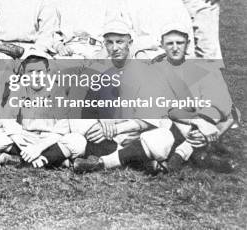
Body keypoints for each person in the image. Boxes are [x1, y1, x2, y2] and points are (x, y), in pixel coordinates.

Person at [73, 20, 176, 174]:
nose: (115, 48)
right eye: (110, 42)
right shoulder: (98, 70)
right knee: (78, 125)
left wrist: (115, 127)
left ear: (130, 43)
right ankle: (141, 160)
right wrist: (102, 118)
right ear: (104, 45)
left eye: (120, 42)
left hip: (137, 133)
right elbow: (85, 104)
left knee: (163, 137)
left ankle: (103, 162)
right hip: (110, 135)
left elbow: (148, 119)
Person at [153, 24, 237, 173]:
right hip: (176, 120)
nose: (175, 48)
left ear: (188, 44)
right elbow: (167, 108)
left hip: (198, 117)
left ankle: (183, 153)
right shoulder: (158, 67)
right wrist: (199, 122)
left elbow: (218, 99)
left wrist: (205, 121)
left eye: (180, 43)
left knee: (230, 112)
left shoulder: (201, 65)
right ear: (162, 45)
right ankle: (203, 154)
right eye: (170, 43)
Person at [0, 53, 88, 169]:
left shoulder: (57, 90)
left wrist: (38, 149)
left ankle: (23, 160)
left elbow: (62, 128)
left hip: (50, 139)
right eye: (30, 72)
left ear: (47, 72)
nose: (35, 76)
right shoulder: (18, 88)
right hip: (26, 137)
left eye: (40, 71)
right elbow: (9, 121)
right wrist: (26, 147)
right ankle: (52, 160)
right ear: (24, 73)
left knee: (78, 142)